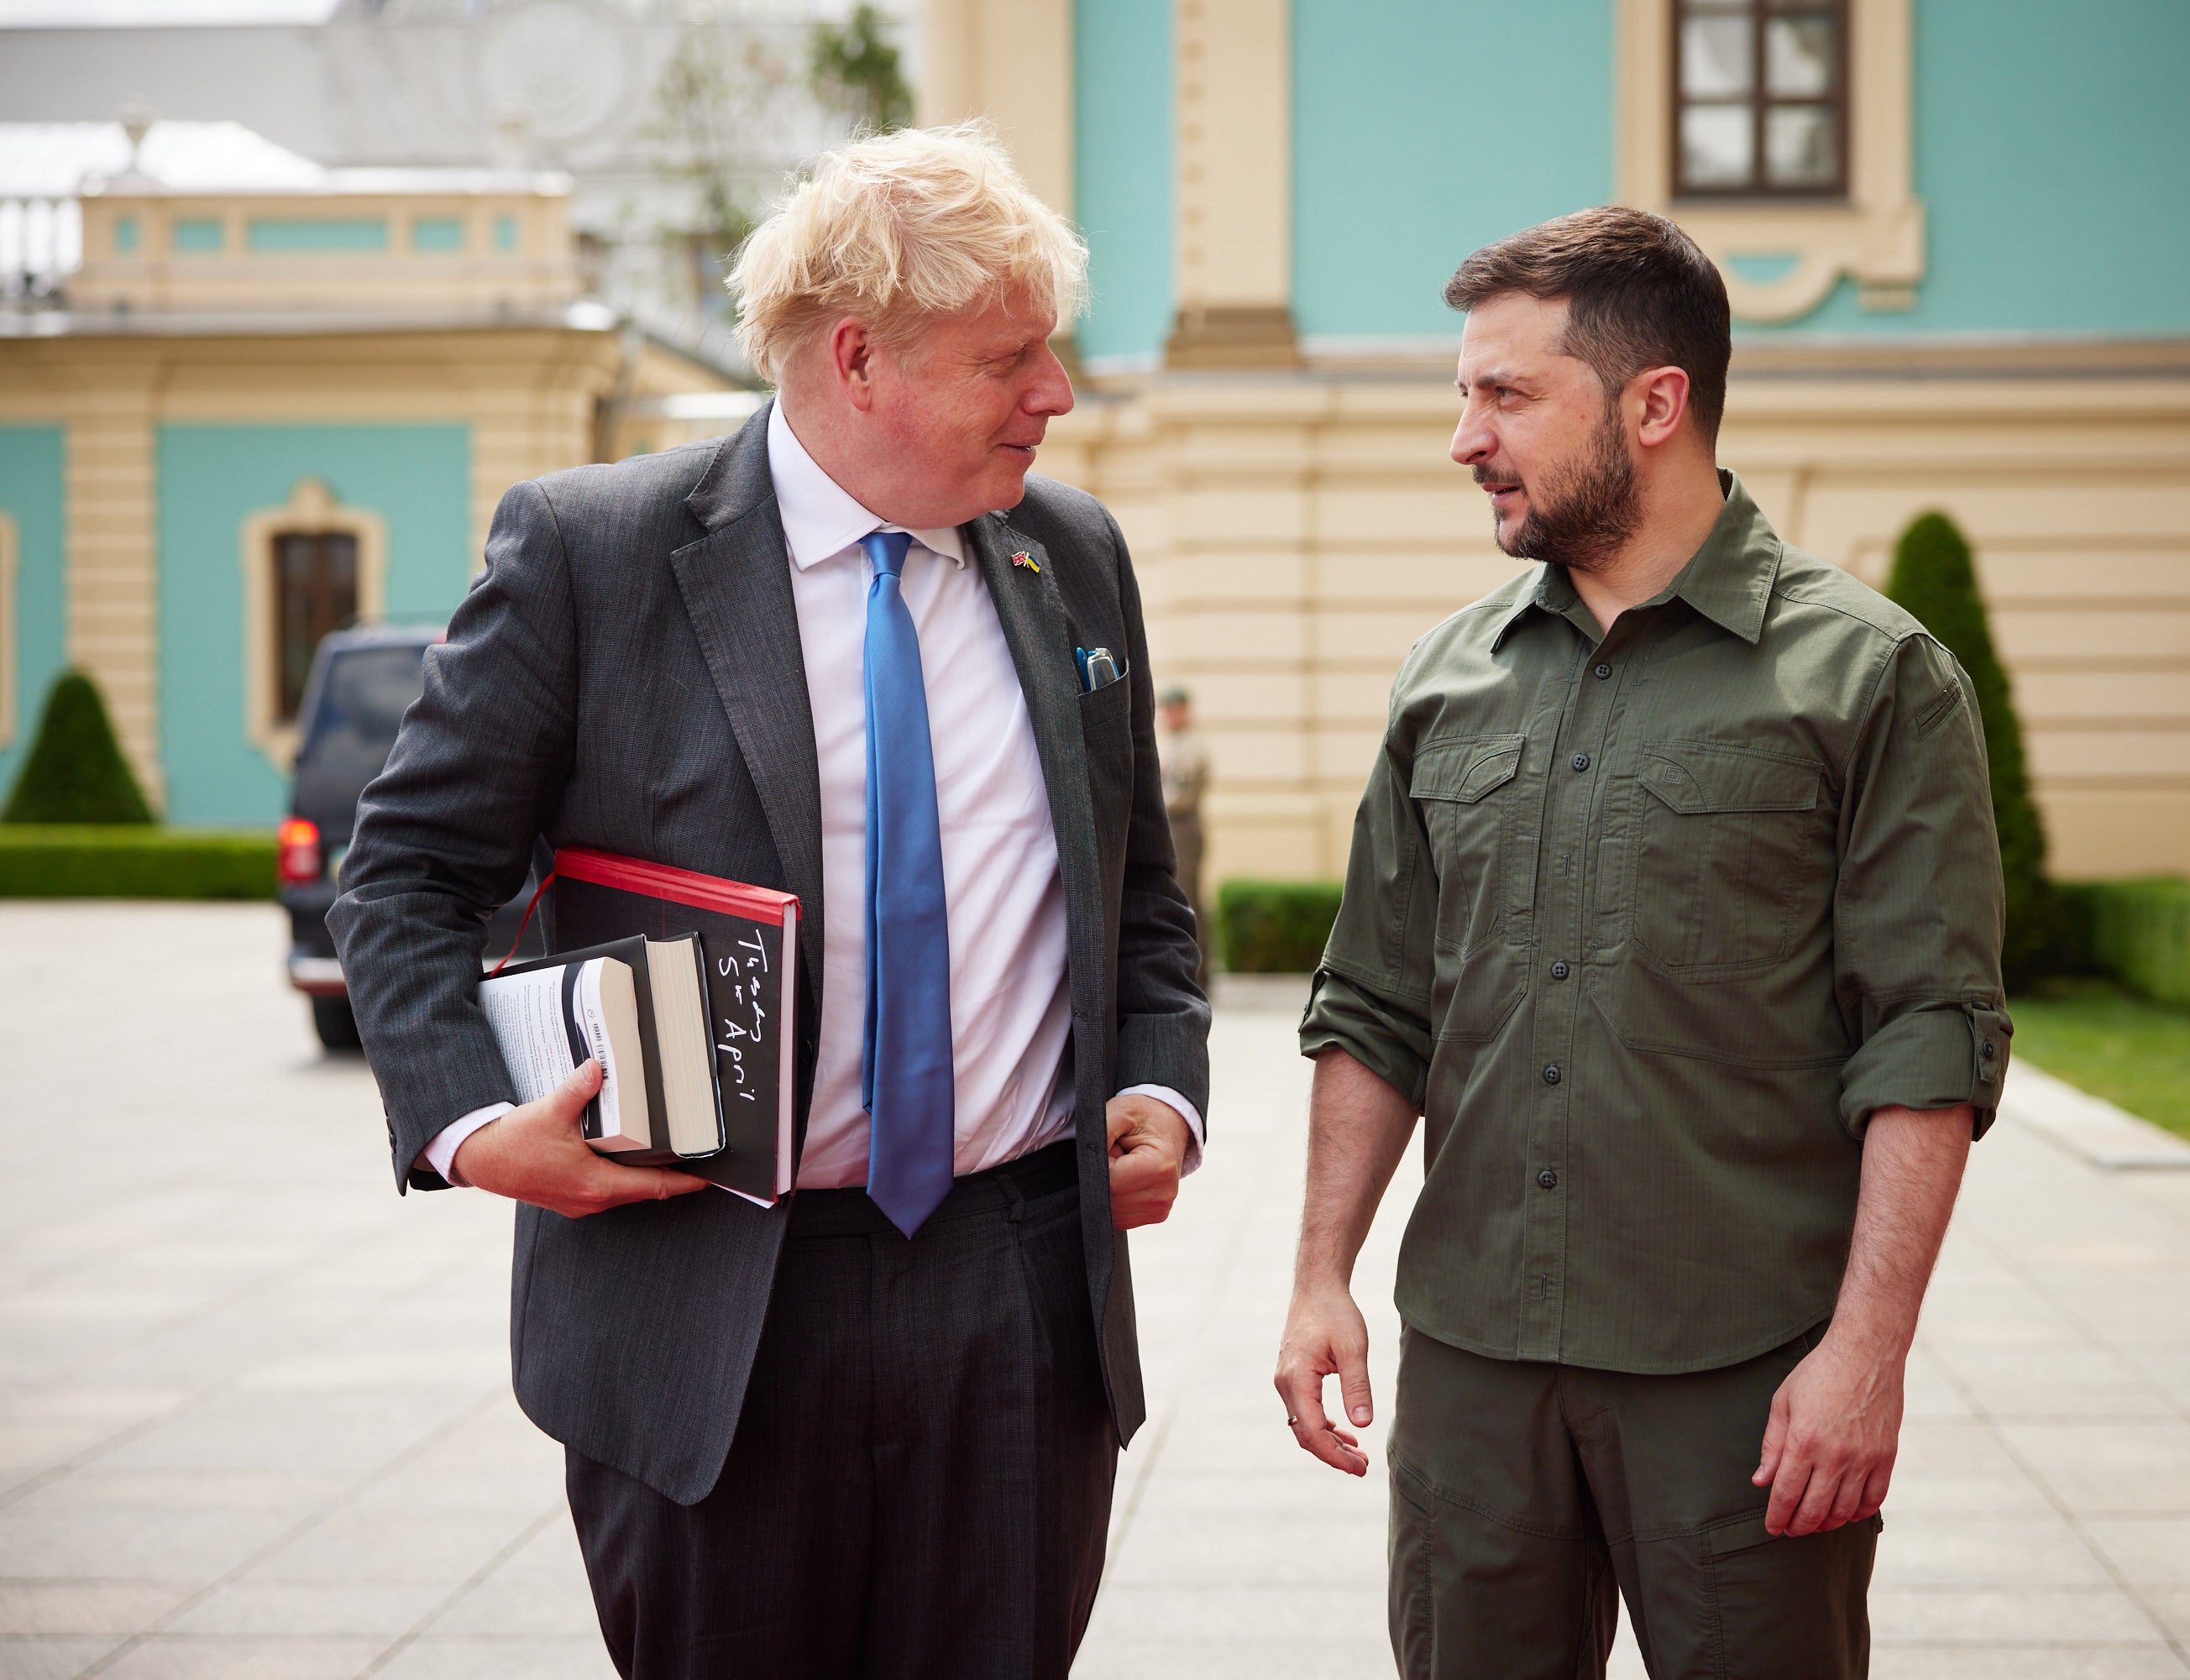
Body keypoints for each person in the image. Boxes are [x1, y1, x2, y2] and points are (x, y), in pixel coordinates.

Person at [332, 125, 1208, 1679]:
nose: (1055, 394)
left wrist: (1156, 1083)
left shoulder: (1073, 554)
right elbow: (405, 872)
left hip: (1016, 1292)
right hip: (707, 1300)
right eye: (1012, 358)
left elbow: (1142, 895)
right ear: (860, 358)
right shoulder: (593, 552)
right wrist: (470, 1128)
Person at [1272, 207, 2009, 1679]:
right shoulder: (1446, 681)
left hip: (1741, 1380)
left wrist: (1864, 1358)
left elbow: (1926, 1038)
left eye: (1505, 395)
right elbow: (1373, 1002)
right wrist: (1319, 1274)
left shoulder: (1873, 678)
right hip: (1475, 1364)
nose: (1465, 436)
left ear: (1654, 403)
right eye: (1463, 394)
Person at [1156, 683, 1210, 976]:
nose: (1170, 715)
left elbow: (1181, 796)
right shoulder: (1171, 743)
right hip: (1172, 826)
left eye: (1175, 709)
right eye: (1167, 709)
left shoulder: (1191, 746)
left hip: (1184, 827)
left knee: (1189, 899)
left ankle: (1198, 974)